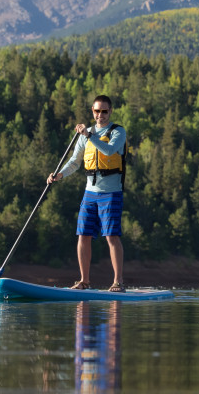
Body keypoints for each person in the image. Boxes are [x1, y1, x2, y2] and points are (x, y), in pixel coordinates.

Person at [48, 95, 127, 291]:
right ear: (92, 111)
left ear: (110, 112)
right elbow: (75, 162)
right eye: (97, 111)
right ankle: (84, 281)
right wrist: (59, 175)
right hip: (90, 193)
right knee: (83, 235)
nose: (100, 115)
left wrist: (89, 135)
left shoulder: (118, 132)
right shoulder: (86, 134)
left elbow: (109, 151)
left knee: (111, 236)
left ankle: (118, 282)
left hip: (111, 193)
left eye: (104, 111)